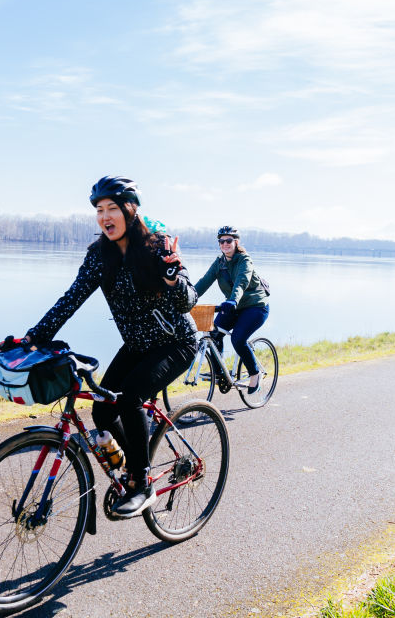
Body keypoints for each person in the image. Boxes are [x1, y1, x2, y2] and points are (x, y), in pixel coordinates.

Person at [21, 176, 197, 518]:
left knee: (131, 397)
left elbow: (188, 301)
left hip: (175, 342)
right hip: (136, 344)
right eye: (99, 210)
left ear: (129, 211)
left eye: (112, 208)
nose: (105, 217)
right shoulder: (99, 256)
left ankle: (142, 483)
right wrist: (34, 336)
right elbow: (70, 299)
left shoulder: (157, 245)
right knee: (102, 408)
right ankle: (135, 463)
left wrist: (172, 276)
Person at [193, 226, 270, 394]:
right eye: (221, 241)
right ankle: (219, 373)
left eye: (229, 241)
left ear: (236, 242)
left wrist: (233, 299)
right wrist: (187, 298)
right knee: (213, 333)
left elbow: (241, 282)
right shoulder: (219, 262)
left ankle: (254, 373)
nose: (225, 244)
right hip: (233, 306)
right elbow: (204, 281)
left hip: (255, 306)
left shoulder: (244, 260)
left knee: (238, 339)